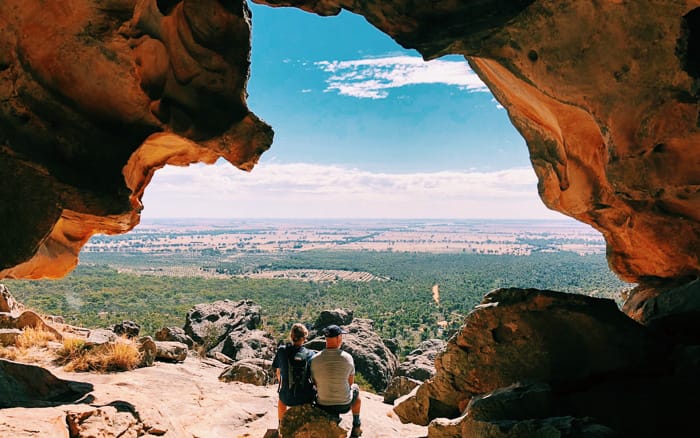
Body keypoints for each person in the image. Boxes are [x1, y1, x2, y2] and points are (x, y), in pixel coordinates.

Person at [309, 324, 362, 437]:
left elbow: (315, 383)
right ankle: (356, 426)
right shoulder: (347, 358)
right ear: (339, 338)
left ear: (326, 339)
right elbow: (350, 383)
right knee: (356, 389)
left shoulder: (314, 359)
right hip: (344, 405)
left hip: (322, 404)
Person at [272, 323, 316, 427]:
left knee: (281, 401)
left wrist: (284, 385)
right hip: (305, 398)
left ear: (291, 336)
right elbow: (314, 377)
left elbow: (278, 372)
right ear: (304, 338)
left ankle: (280, 425)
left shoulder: (282, 350)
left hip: (287, 397)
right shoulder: (310, 354)